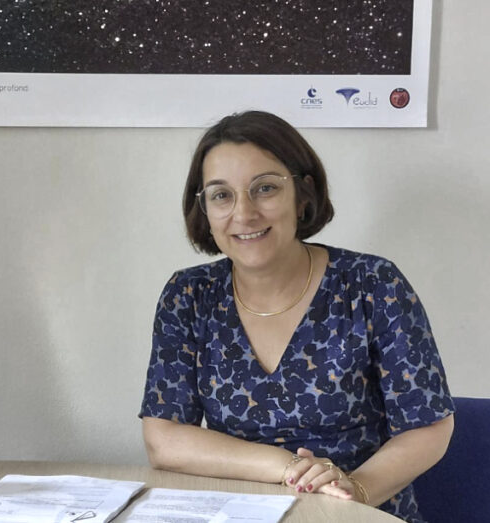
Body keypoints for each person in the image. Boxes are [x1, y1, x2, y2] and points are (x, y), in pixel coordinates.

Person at [140, 111, 454, 522]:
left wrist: (354, 489)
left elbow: (427, 425)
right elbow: (164, 440)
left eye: (265, 188)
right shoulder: (189, 295)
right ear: (204, 209)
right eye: (221, 195)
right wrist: (290, 469)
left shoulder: (373, 284)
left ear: (302, 195)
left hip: (358, 513)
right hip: (242, 514)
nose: (244, 213)